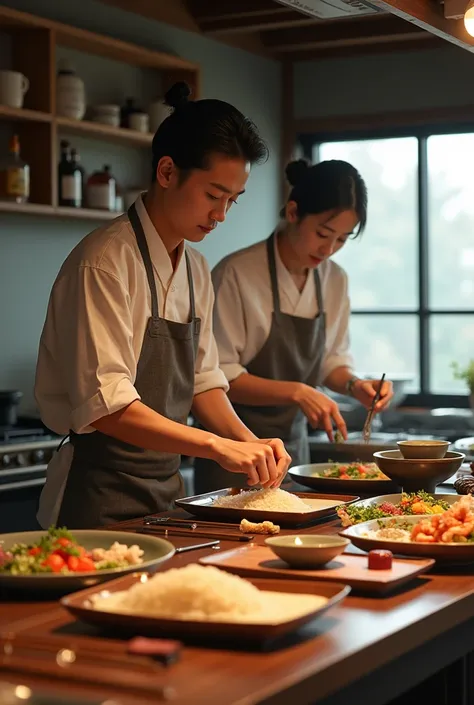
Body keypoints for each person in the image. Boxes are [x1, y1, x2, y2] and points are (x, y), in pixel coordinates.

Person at [35, 81, 291, 529]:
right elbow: (109, 406)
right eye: (213, 195)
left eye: (232, 199)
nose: (222, 215)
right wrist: (216, 447)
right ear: (168, 172)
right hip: (98, 496)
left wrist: (251, 443)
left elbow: (203, 382)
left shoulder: (195, 269)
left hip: (167, 495)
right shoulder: (105, 262)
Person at [194, 158, 394, 494]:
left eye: (342, 240)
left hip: (292, 454)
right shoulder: (237, 274)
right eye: (322, 234)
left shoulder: (333, 279)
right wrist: (298, 392)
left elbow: (332, 360)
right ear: (292, 212)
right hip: (233, 452)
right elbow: (217, 376)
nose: (329, 250)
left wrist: (355, 385)